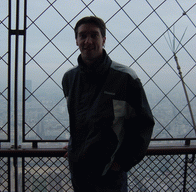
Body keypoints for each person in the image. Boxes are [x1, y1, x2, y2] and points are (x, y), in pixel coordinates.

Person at [62, 16, 155, 192]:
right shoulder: (69, 78)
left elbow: (143, 124)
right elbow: (79, 121)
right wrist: (77, 146)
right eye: (83, 36)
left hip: (110, 174)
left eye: (94, 35)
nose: (88, 41)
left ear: (103, 40)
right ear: (76, 40)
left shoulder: (125, 78)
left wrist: (122, 162)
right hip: (80, 172)